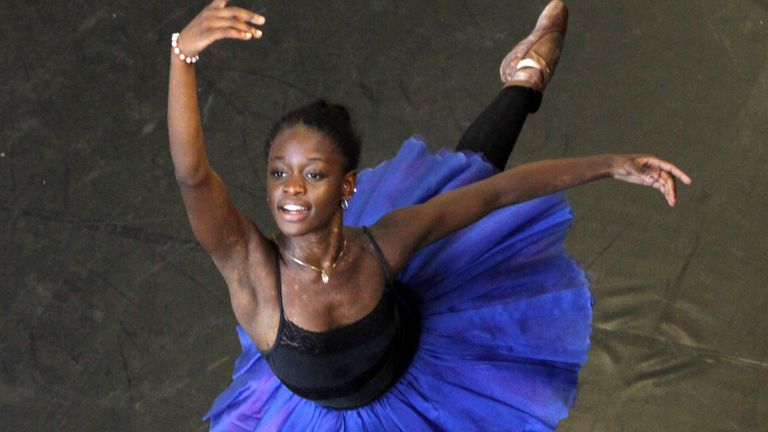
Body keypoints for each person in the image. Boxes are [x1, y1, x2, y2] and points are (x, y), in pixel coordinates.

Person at [167, 1, 691, 430]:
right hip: (318, 419)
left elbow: (498, 195)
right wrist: (181, 58)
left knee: (469, 184)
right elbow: (194, 178)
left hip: (429, 375)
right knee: (457, 187)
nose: (292, 191)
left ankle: (524, 80)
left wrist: (613, 165)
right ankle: (523, 81)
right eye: (279, 174)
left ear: (347, 185)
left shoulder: (383, 246)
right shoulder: (253, 274)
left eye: (314, 175)